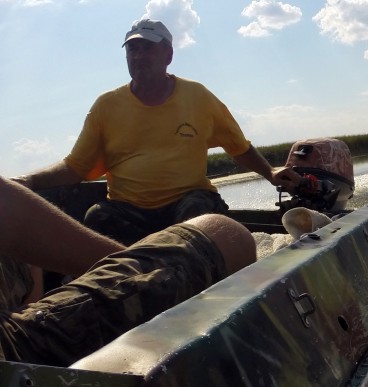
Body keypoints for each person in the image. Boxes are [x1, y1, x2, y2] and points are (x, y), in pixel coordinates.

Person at [15, 18, 300, 244]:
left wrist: (271, 174)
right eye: (132, 49)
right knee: (98, 217)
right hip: (129, 210)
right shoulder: (106, 106)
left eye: (148, 48)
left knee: (199, 213)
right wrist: (28, 181)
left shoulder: (198, 97)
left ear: (168, 55)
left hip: (187, 201)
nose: (139, 56)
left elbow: (239, 147)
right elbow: (75, 167)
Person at [0, 176, 256, 367]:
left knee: (21, 260)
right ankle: (36, 343)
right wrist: (136, 267)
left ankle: (31, 322)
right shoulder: (109, 107)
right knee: (226, 234)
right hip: (10, 357)